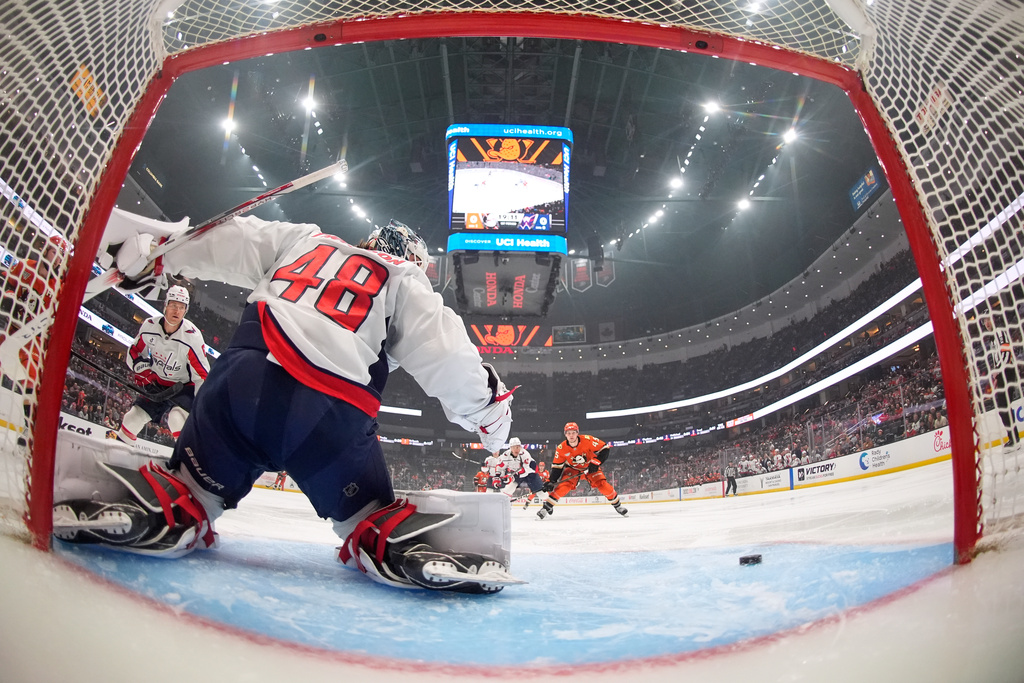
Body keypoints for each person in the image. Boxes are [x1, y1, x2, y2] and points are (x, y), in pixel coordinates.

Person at [54, 214, 516, 594]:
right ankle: (386, 541)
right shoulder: (403, 281)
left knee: (196, 490)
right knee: (367, 513)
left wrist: (158, 253)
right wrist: (490, 415)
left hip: (239, 389)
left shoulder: (303, 239)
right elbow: (449, 359)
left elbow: (227, 240)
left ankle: (172, 506)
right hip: (329, 418)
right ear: (412, 259)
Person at [116, 285, 209, 443]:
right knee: (132, 419)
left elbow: (202, 375)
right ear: (165, 305)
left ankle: (186, 460)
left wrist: (201, 404)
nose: (177, 311)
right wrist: (143, 371)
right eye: (173, 305)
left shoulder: (191, 337)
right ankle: (117, 456)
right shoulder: (149, 326)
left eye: (181, 307)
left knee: (177, 419)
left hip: (183, 388)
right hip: (157, 384)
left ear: (186, 310)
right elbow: (134, 352)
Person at [536, 422, 627, 520]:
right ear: (565, 434)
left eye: (573, 432)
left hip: (590, 467)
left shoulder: (587, 440)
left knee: (602, 485)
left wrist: (596, 462)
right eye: (568, 433)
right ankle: (546, 508)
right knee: (563, 487)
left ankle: (618, 506)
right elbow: (557, 467)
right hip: (573, 469)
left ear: (577, 433)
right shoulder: (561, 448)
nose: (571, 435)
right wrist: (551, 481)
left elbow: (605, 448)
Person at [499, 438, 546, 508]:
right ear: (510, 448)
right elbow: (500, 467)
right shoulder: (505, 455)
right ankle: (505, 505)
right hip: (518, 474)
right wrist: (502, 476)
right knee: (508, 489)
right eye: (514, 447)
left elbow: (528, 468)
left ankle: (546, 506)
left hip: (530, 474)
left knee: (540, 491)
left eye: (518, 447)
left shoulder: (525, 454)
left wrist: (514, 473)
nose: (516, 449)